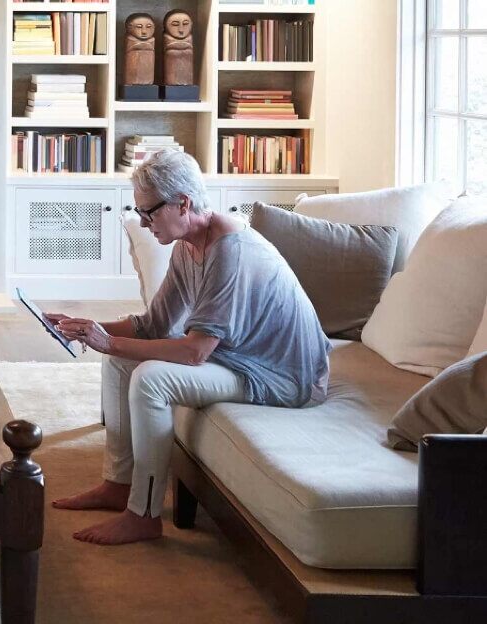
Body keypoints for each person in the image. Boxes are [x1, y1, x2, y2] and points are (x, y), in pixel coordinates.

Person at [44, 150, 330, 546]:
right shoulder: (188, 246)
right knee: (119, 360)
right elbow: (152, 326)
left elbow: (195, 352)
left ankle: (143, 515)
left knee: (150, 379)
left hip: (280, 375)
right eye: (139, 213)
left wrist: (108, 342)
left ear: (183, 203)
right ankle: (118, 485)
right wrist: (83, 328)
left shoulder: (230, 251)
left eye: (149, 213)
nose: (144, 223)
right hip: (238, 357)